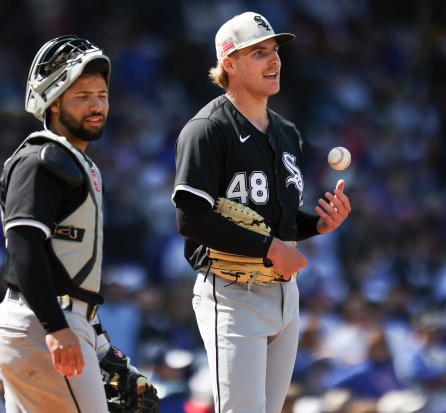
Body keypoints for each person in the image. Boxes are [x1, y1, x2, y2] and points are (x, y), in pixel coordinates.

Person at [172, 11, 351, 413]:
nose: (274, 60)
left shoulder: (288, 133)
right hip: (232, 292)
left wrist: (320, 224)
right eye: (258, 53)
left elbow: (281, 222)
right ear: (229, 64)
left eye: (274, 51)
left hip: (285, 293)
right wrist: (271, 247)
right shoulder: (206, 130)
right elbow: (191, 219)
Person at [0, 35, 112, 412]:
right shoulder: (41, 159)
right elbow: (24, 245)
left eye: (102, 95)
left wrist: (100, 342)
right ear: (54, 103)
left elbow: (71, 270)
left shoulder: (72, 161)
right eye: (82, 96)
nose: (96, 106)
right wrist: (56, 326)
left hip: (50, 321)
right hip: (42, 323)